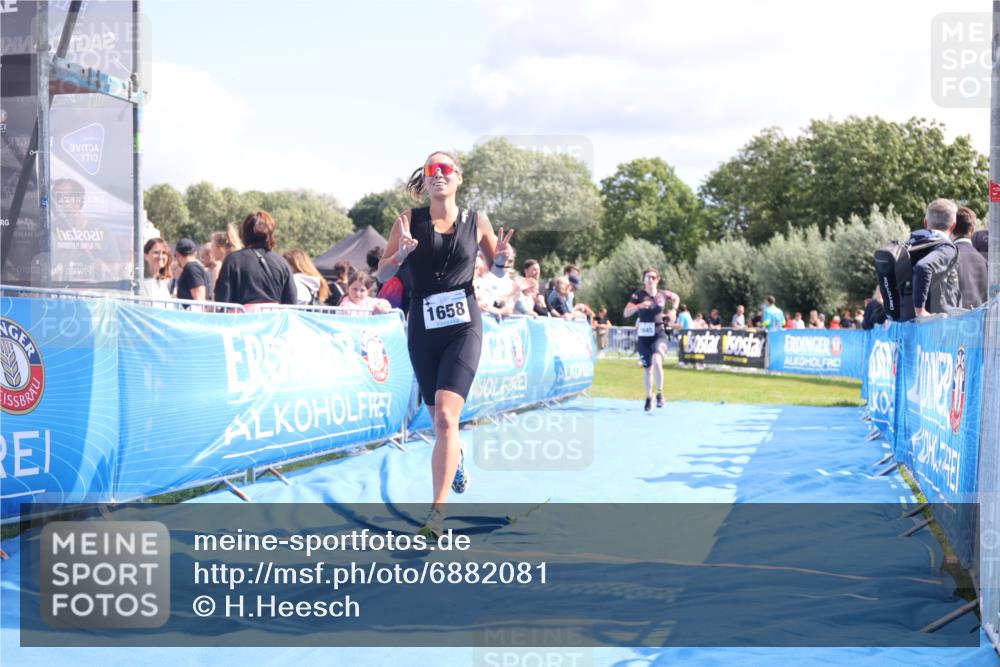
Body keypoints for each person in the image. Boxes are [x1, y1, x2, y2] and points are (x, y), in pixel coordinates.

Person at [375, 150, 513, 536]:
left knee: (449, 417)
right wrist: (399, 254)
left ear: (459, 177)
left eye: (445, 168)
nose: (438, 174)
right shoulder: (408, 221)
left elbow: (498, 270)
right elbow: (382, 270)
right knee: (439, 421)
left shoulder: (476, 220)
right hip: (422, 322)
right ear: (426, 178)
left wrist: (502, 260)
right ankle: (458, 456)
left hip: (463, 324)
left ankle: (436, 514)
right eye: (431, 169)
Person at [214, 211, 297, 309]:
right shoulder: (282, 263)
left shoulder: (233, 260)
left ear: (245, 233)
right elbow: (291, 300)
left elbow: (222, 298)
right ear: (270, 233)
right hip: (274, 321)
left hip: (242, 322)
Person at [624, 269, 679, 411]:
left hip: (659, 333)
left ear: (657, 280)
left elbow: (676, 297)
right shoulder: (638, 295)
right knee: (648, 369)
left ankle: (660, 394)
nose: (650, 280)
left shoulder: (663, 294)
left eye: (653, 277)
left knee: (657, 361)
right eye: (647, 277)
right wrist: (638, 306)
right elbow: (625, 313)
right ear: (643, 280)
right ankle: (649, 396)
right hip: (644, 336)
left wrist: (673, 310)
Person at [904, 199, 961, 319]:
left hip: (906, 320)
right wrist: (920, 310)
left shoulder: (911, 245)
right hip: (935, 324)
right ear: (953, 225)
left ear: (925, 222)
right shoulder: (946, 248)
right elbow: (923, 266)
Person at [954, 206, 988, 309]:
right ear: (972, 229)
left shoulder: (949, 255)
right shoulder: (983, 261)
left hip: (955, 320)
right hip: (979, 321)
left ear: (952, 226)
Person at [174, 238, 210, 304]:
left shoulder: (192, 269)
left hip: (191, 313)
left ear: (177, 254)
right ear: (195, 253)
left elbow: (199, 299)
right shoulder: (193, 268)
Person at [141, 238, 172, 302]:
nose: (160, 257)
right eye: (156, 252)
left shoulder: (163, 282)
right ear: (145, 256)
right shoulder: (138, 282)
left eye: (164, 253)